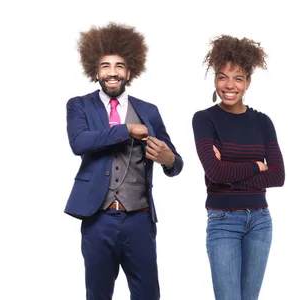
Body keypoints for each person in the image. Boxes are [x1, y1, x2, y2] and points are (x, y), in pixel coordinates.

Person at [64, 22, 183, 300]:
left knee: (148, 295)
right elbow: (79, 143)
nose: (112, 72)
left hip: (139, 220)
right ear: (96, 72)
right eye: (105, 66)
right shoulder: (79, 105)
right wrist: (126, 130)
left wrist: (168, 159)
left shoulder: (149, 111)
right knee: (98, 294)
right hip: (98, 219)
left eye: (119, 66)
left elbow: (175, 162)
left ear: (129, 72)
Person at [191, 35, 285, 300]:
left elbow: (278, 176)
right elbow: (215, 173)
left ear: (248, 83)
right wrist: (257, 165)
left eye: (238, 78)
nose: (229, 85)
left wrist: (229, 173)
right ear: (214, 79)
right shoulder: (204, 119)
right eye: (222, 77)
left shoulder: (263, 122)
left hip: (260, 221)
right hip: (223, 220)